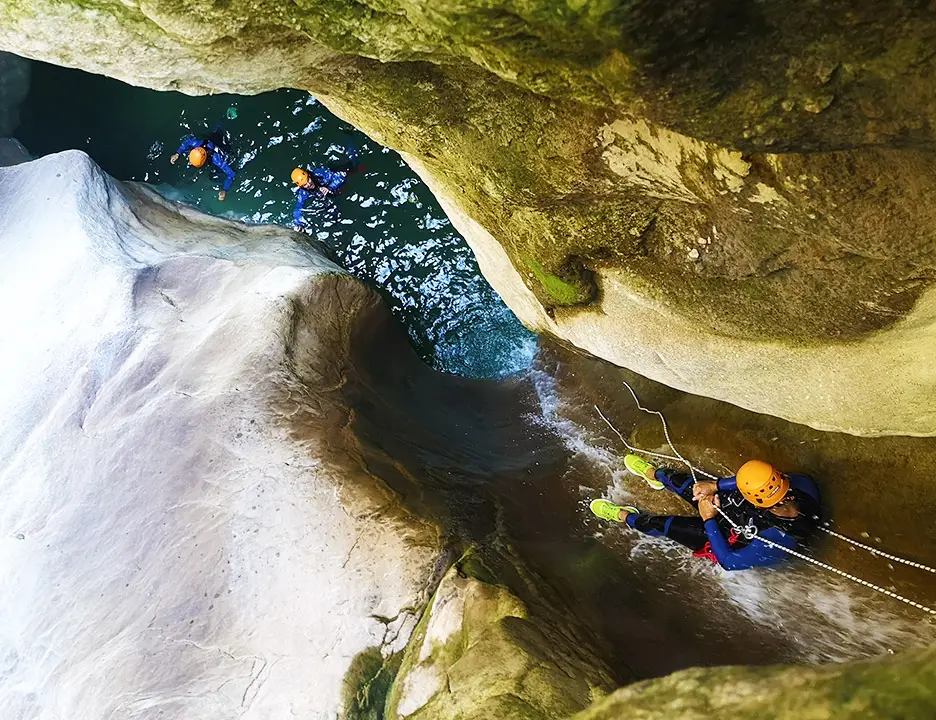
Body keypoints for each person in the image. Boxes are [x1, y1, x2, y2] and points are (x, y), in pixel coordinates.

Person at [590, 456, 821, 571]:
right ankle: (656, 475)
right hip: (747, 512)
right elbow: (745, 483)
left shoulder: (775, 541)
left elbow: (730, 562)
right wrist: (716, 485)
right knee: (692, 486)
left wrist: (709, 519)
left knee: (664, 525)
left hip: (733, 535)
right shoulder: (798, 484)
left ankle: (624, 516)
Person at [291, 142, 361, 230]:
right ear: (301, 187)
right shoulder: (304, 192)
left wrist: (330, 187)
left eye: (308, 180)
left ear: (309, 175)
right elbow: (298, 208)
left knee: (355, 165)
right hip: (330, 193)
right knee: (333, 215)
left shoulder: (319, 174)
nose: (309, 184)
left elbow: (340, 176)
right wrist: (299, 223)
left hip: (335, 178)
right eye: (305, 184)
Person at [170, 127, 237, 201]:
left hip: (220, 145)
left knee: (214, 175)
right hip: (210, 140)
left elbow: (231, 174)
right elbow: (186, 142)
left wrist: (225, 190)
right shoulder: (196, 144)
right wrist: (177, 153)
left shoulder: (216, 160)